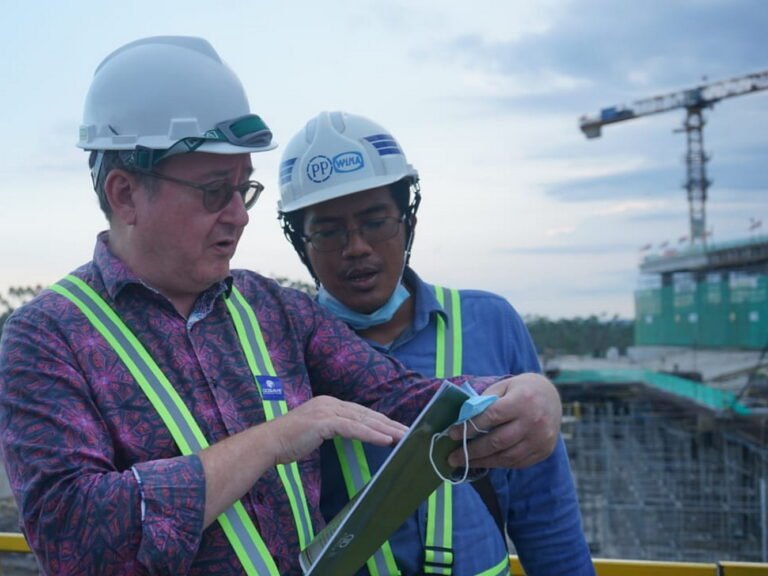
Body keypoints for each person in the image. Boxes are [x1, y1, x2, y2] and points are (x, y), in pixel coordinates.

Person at [0, 37, 562, 576]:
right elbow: (73, 536)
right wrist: (272, 440)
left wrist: (509, 396)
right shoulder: (46, 337)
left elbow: (398, 396)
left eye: (244, 190)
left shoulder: (272, 309)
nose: (240, 215)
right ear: (125, 194)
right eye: (214, 192)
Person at [277, 111, 595, 575]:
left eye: (375, 222)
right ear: (301, 243)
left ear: (408, 220)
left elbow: (543, 504)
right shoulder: (277, 353)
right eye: (327, 231)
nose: (356, 247)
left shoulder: (489, 323)